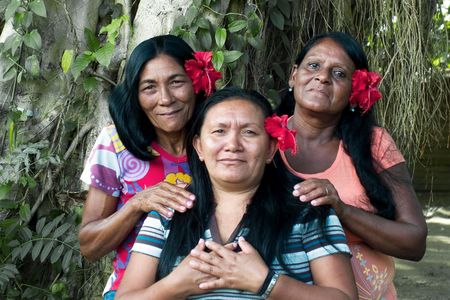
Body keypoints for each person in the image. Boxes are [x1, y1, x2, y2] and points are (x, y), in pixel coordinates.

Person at [116, 87, 358, 300]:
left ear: (271, 148)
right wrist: (174, 286)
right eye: (219, 131)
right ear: (199, 147)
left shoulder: (309, 210)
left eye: (249, 132)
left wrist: (267, 283)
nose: (233, 144)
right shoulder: (169, 211)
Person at [277, 31, 427, 299]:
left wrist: (342, 211)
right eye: (314, 66)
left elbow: (414, 242)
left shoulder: (374, 144)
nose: (322, 76)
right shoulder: (262, 139)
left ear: (354, 91)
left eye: (339, 74)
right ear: (293, 75)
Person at [78, 34, 221, 299]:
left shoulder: (220, 140)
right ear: (136, 96)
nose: (165, 99)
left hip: (212, 289)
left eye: (177, 82)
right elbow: (89, 246)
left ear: (197, 82)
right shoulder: (116, 144)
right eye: (149, 88)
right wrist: (137, 203)